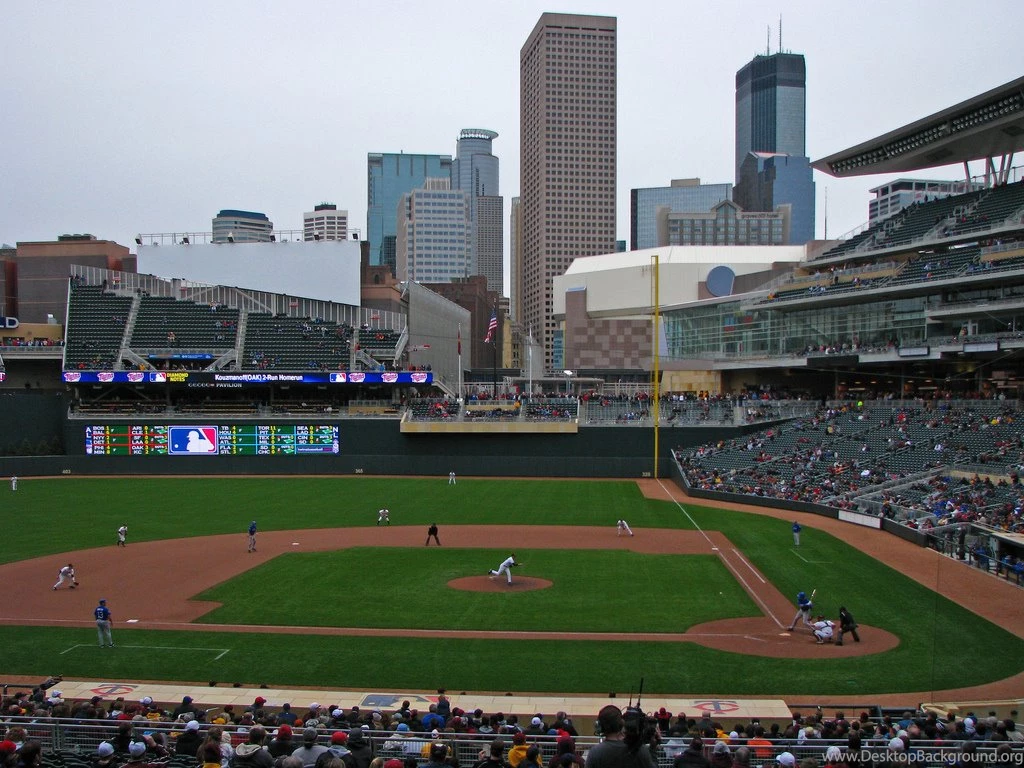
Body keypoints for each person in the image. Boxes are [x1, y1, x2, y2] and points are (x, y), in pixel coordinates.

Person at [585, 704, 659, 768]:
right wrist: (653, 748)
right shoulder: (640, 749)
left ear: (599, 726)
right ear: (622, 723)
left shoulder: (595, 753)